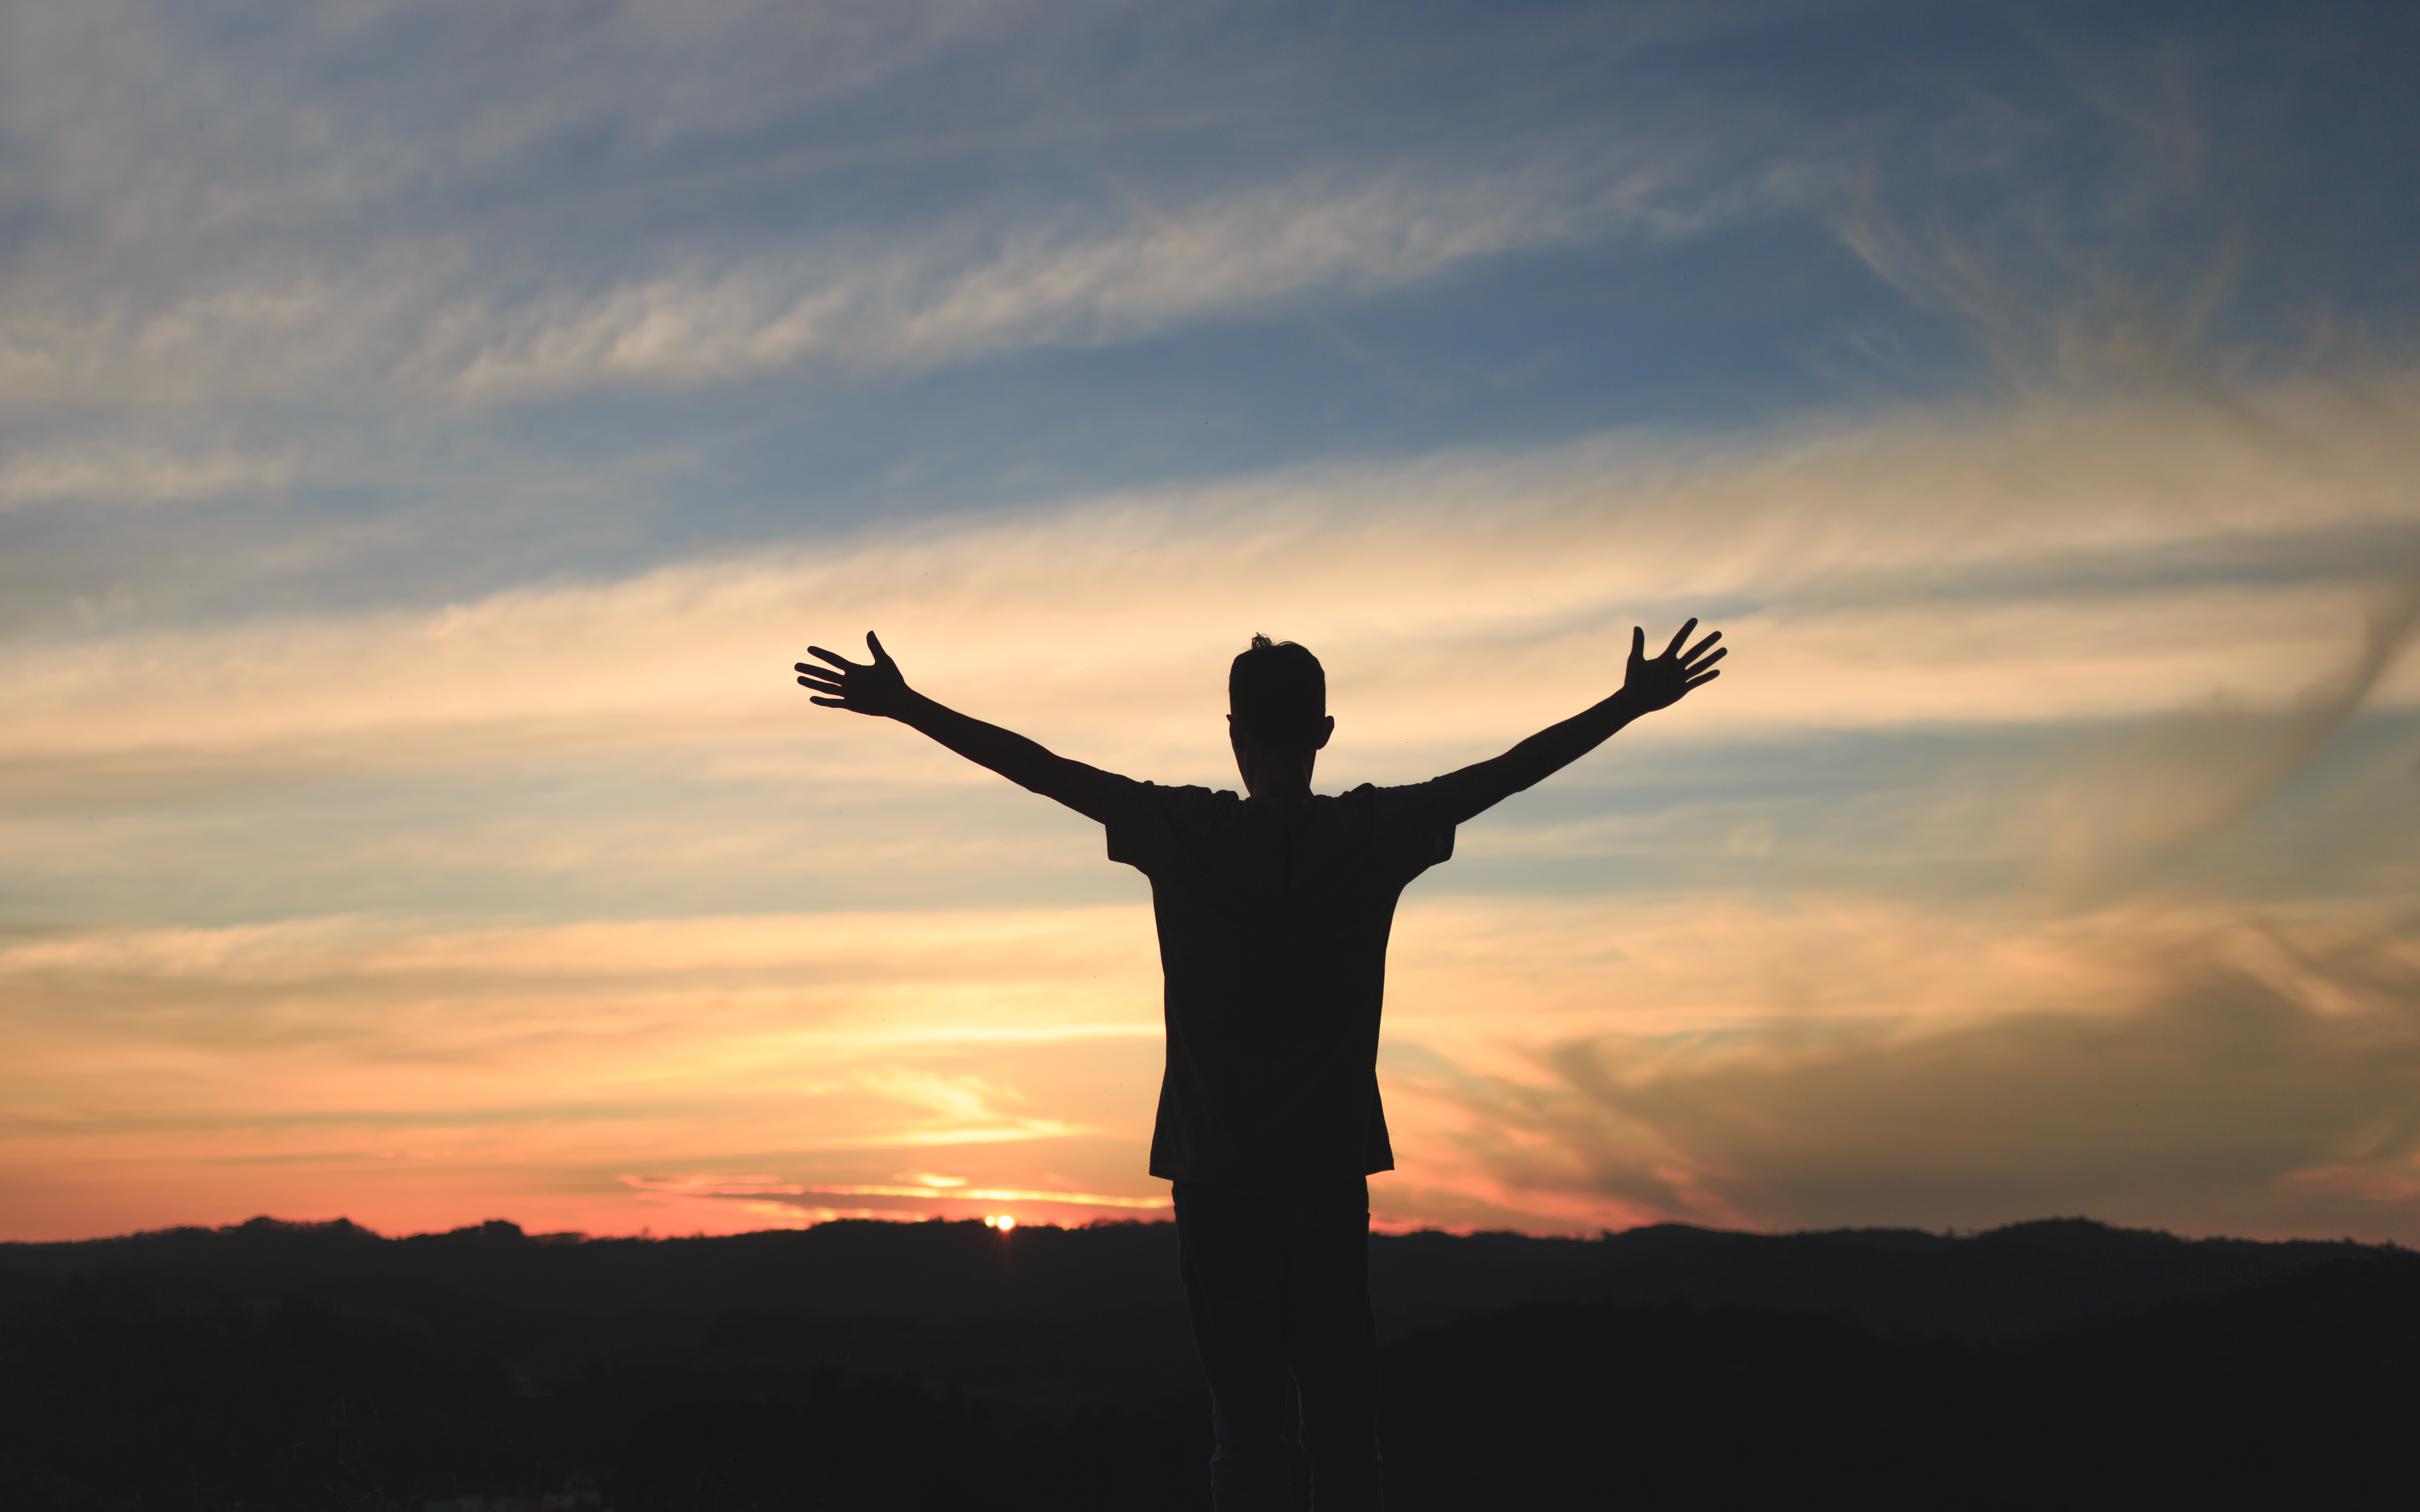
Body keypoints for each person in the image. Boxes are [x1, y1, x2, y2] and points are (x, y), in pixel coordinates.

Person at [795, 620, 1725, 1509]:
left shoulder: (1183, 833)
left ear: (1234, 734)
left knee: (1245, 1439)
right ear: (1323, 732)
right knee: (1346, 1444)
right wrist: (1627, 705)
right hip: (1325, 1179)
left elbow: (1042, 770)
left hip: (1217, 1182)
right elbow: (1507, 774)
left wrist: (910, 706)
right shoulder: (1372, 835)